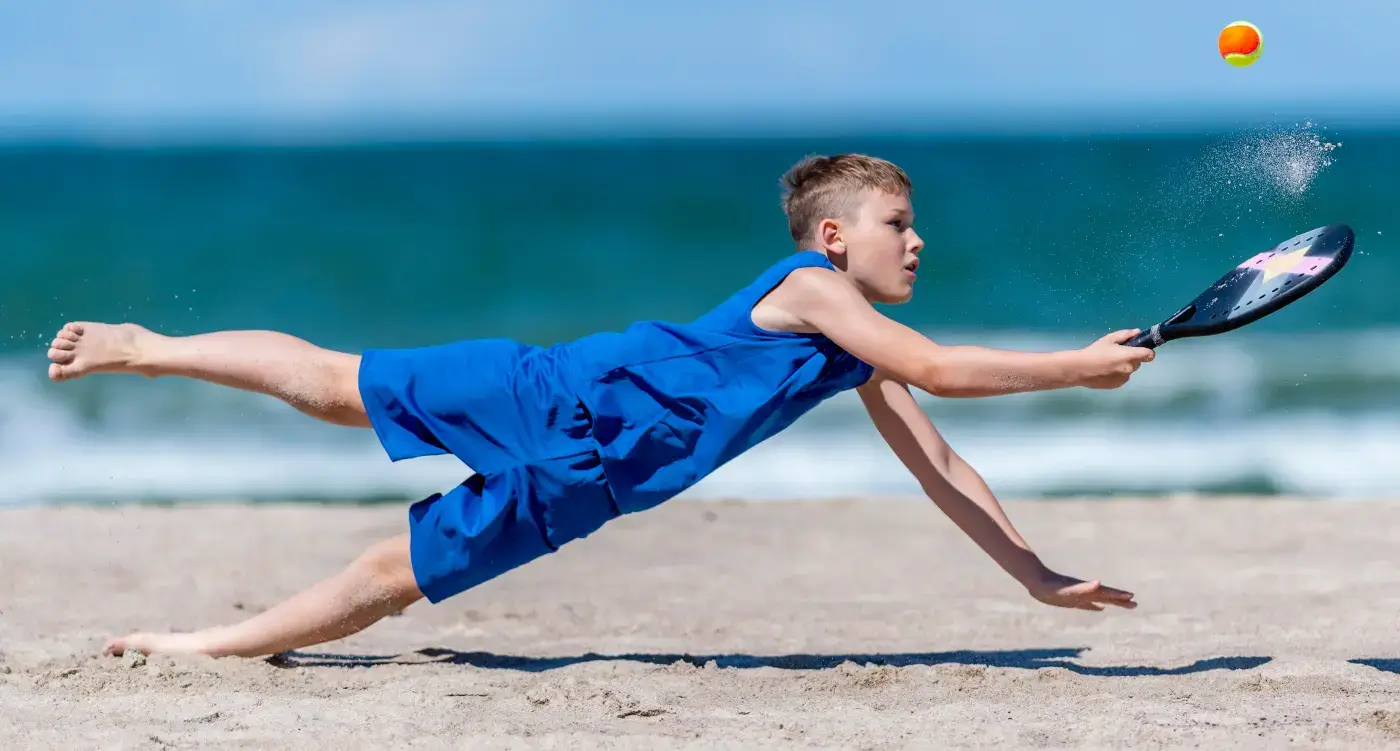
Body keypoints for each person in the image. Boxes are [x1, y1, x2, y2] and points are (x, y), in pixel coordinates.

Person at [47, 153, 1153, 659]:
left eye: (912, 226)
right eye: (896, 222)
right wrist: (1076, 364)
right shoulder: (812, 291)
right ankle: (152, 347)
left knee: (396, 578)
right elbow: (949, 366)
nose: (916, 240)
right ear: (831, 237)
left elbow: (939, 463)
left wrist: (1032, 573)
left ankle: (206, 646)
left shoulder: (855, 355)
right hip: (553, 388)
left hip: (597, 482)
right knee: (341, 387)